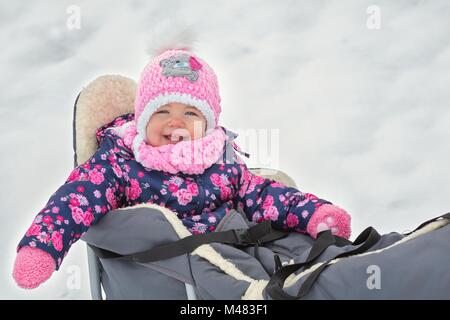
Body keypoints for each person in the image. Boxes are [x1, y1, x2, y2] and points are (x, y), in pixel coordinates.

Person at [12, 46, 351, 289]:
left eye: (190, 114)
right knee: (260, 285)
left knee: (312, 259)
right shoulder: (120, 163)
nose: (175, 122)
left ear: (208, 124)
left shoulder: (221, 158)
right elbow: (75, 199)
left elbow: (263, 194)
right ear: (143, 120)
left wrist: (313, 213)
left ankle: (351, 265)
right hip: (175, 265)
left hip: (239, 244)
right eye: (161, 112)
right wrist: (41, 248)